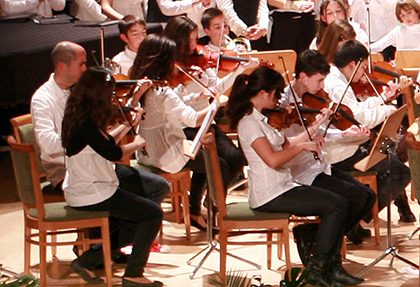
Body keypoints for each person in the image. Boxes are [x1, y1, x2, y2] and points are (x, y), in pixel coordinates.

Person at [225, 65, 364, 287]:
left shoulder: (260, 118)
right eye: (276, 94)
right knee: (336, 205)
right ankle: (321, 268)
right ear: (262, 94)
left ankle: (329, 266)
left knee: (340, 202)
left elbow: (287, 143)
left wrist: (316, 126)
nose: (279, 99)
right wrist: (302, 149)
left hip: (283, 185)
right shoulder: (249, 124)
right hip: (269, 193)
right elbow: (272, 159)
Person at [30, 41, 170, 255]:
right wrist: (85, 138)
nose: (86, 69)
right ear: (62, 67)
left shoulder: (79, 92)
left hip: (96, 162)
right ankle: (101, 248)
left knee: (157, 186)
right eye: (82, 64)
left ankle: (110, 244)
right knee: (129, 198)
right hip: (64, 170)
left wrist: (121, 121)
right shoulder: (43, 99)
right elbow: (48, 145)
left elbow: (99, 136)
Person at [61, 67, 164, 287]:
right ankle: (133, 275)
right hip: (91, 190)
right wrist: (135, 144)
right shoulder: (84, 122)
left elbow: (104, 142)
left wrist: (127, 124)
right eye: (109, 94)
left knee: (141, 212)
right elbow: (113, 153)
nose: (112, 99)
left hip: (92, 183)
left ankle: (89, 259)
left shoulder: (80, 114)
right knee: (152, 214)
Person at [163, 16, 257, 230]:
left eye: (197, 39)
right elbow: (174, 105)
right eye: (191, 40)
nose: (196, 45)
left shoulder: (200, 59)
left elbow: (218, 87)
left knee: (236, 159)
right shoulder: (168, 67)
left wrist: (240, 70)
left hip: (205, 122)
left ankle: (211, 200)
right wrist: (191, 93)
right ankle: (209, 211)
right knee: (216, 165)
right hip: (183, 127)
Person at [130, 33, 229, 232]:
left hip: (147, 151)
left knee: (204, 157)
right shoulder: (161, 92)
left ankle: (195, 209)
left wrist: (194, 96)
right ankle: (205, 212)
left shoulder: (139, 82)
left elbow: (174, 105)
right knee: (220, 165)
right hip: (164, 153)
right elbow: (191, 118)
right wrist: (215, 105)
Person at [279, 49, 376, 248]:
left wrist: (344, 133)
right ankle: (323, 244)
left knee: (368, 196)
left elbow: (320, 133)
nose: (323, 86)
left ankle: (313, 234)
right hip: (300, 173)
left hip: (319, 166)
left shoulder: (309, 99)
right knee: (354, 197)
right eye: (319, 80)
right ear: (304, 77)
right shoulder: (283, 106)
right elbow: (285, 144)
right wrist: (315, 130)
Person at [322, 39, 416, 223]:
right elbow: (359, 119)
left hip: (353, 144)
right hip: (342, 151)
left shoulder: (339, 77)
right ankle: (356, 218)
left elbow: (357, 109)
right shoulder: (336, 85)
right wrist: (388, 110)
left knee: (389, 152)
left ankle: (361, 215)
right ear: (353, 64)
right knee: (400, 173)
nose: (365, 72)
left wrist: (384, 97)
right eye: (363, 67)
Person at [146, 0, 214, 38]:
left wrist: (205, 4)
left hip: (198, 34)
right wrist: (195, 1)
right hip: (169, 34)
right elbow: (167, 8)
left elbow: (201, 9)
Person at [0, 0, 65, 17]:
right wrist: (36, 1)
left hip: (45, 24)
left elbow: (59, 7)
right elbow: (9, 8)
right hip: (17, 26)